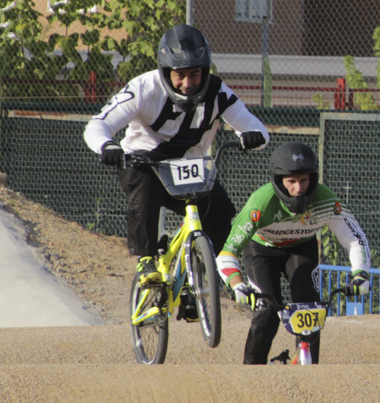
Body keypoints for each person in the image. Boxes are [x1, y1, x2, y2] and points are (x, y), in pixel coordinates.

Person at [83, 24, 269, 287]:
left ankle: (211, 277)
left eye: (195, 74)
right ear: (165, 71)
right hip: (142, 163)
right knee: (144, 191)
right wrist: (107, 146)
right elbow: (98, 124)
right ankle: (146, 260)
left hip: (188, 168)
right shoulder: (144, 88)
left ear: (205, 70)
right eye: (179, 75)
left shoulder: (218, 92)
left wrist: (252, 136)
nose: (187, 84)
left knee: (221, 213)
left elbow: (255, 126)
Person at [216, 142, 371, 365]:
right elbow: (228, 251)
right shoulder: (260, 203)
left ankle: (309, 373)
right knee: (267, 313)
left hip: (301, 247)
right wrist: (236, 283)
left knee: (310, 308)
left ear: (313, 178)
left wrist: (360, 274)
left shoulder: (326, 200)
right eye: (291, 182)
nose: (299, 189)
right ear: (279, 181)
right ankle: (251, 372)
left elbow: (354, 238)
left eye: (304, 180)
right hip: (261, 250)